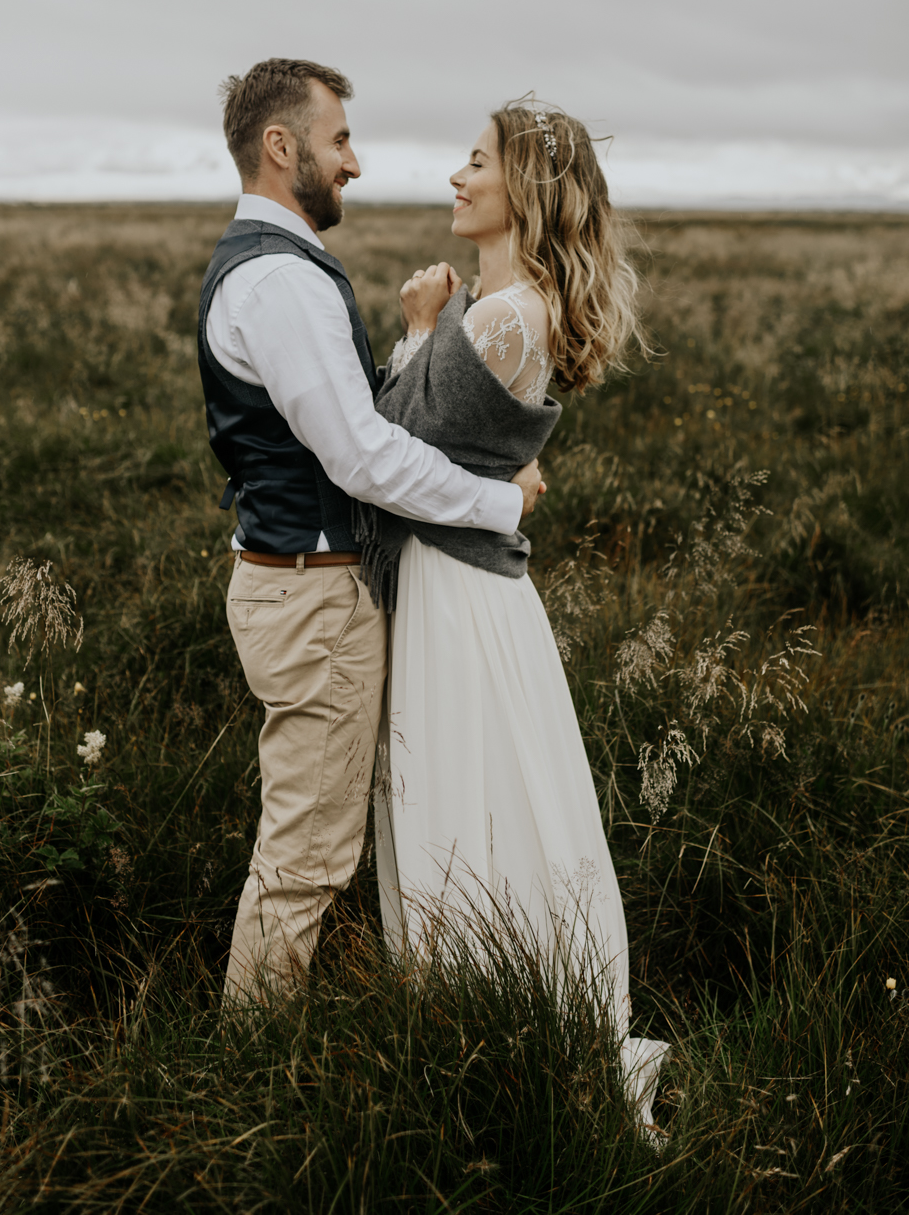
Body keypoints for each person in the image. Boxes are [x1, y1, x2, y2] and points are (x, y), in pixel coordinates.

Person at [197, 59, 543, 1003]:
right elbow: (361, 458)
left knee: (310, 845)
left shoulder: (273, 268)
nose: (353, 161)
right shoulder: (281, 282)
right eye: (338, 137)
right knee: (305, 860)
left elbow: (348, 424)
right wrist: (497, 501)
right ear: (282, 146)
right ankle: (247, 1079)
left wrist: (413, 341)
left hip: (299, 581)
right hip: (311, 595)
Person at [363, 100, 669, 1126]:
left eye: (476, 160)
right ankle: (489, 1011)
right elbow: (450, 444)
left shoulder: (500, 316)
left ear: (523, 188)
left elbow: (391, 451)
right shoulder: (506, 306)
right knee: (486, 783)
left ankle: (489, 1020)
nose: (455, 176)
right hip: (469, 579)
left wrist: (414, 330)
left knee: (463, 784)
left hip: (456, 589)